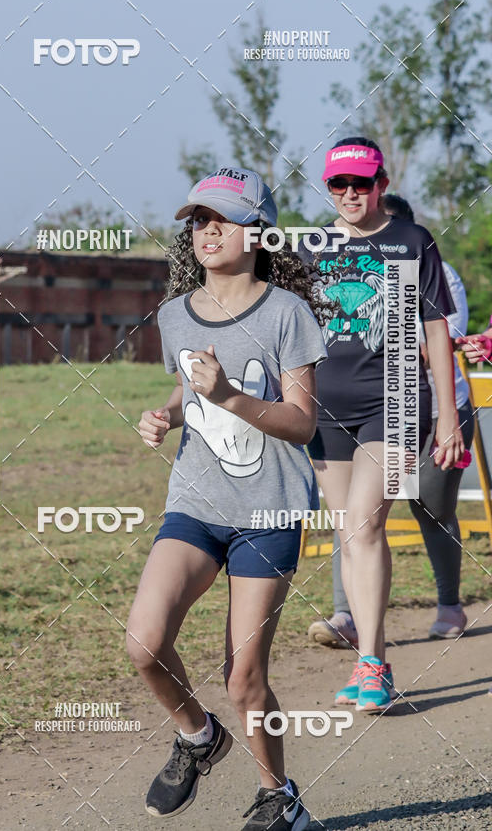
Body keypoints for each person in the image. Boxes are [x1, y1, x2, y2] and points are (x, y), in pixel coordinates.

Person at [127, 167, 329, 830]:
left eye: (223, 218)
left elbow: (302, 423)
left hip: (268, 508)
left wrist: (230, 398)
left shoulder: (287, 313)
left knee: (245, 678)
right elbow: (192, 393)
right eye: (198, 219)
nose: (207, 230)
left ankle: (280, 797)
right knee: (144, 642)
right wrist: (166, 413)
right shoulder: (173, 316)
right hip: (196, 500)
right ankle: (197, 736)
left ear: (259, 233)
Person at [296, 137, 464, 713]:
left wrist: (446, 415)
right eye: (337, 185)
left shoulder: (411, 241)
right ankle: (371, 661)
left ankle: (372, 662)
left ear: (381, 185)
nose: (348, 194)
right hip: (325, 407)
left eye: (360, 184)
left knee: (365, 526)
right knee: (350, 531)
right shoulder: (311, 247)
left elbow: (438, 329)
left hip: (394, 400)